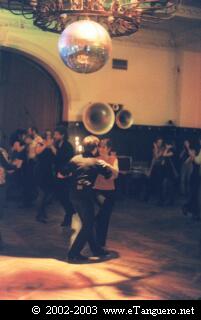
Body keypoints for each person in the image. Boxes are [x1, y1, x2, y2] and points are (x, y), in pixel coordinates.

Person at [58, 135, 114, 264]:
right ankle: (73, 253)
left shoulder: (75, 159)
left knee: (89, 223)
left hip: (73, 196)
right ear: (95, 148)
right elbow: (109, 175)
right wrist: (106, 164)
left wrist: (74, 174)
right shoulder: (97, 162)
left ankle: (96, 249)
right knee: (88, 225)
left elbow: (60, 174)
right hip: (85, 196)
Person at [94, 139, 119, 249]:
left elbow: (116, 173)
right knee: (98, 217)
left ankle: (100, 243)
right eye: (99, 147)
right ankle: (95, 241)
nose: (100, 149)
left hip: (109, 192)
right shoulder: (96, 159)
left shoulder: (113, 159)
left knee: (105, 218)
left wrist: (107, 165)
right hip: (97, 190)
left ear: (108, 149)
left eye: (103, 147)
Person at [54, 126, 75, 227]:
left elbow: (65, 159)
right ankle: (70, 211)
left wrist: (54, 150)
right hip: (59, 173)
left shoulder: (68, 146)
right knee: (60, 195)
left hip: (65, 174)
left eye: (56, 134)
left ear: (62, 135)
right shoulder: (58, 144)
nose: (55, 136)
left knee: (64, 196)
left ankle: (69, 214)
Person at [35, 137, 56, 223]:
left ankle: (42, 212)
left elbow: (56, 154)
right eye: (47, 138)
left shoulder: (51, 148)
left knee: (48, 193)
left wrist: (51, 146)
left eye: (51, 138)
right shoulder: (40, 145)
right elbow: (37, 152)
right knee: (42, 194)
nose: (50, 140)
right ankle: (39, 215)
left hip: (48, 173)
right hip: (40, 172)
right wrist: (45, 145)